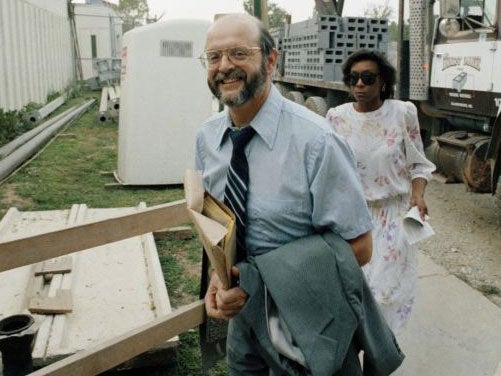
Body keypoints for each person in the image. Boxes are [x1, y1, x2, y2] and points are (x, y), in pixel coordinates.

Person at [194, 14, 401, 375]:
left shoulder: (317, 142)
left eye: (239, 53)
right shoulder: (207, 139)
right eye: (214, 57)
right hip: (244, 327)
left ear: (272, 60)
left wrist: (258, 279)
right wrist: (221, 277)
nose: (224, 67)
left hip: (311, 326)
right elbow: (218, 225)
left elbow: (360, 248)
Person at [326, 49, 436, 335]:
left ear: (383, 82)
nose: (359, 84)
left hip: (392, 218)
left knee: (384, 298)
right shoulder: (336, 118)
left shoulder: (402, 113)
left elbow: (419, 165)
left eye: (367, 77)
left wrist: (418, 195)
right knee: (353, 297)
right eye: (354, 78)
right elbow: (327, 170)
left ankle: (379, 359)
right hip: (352, 219)